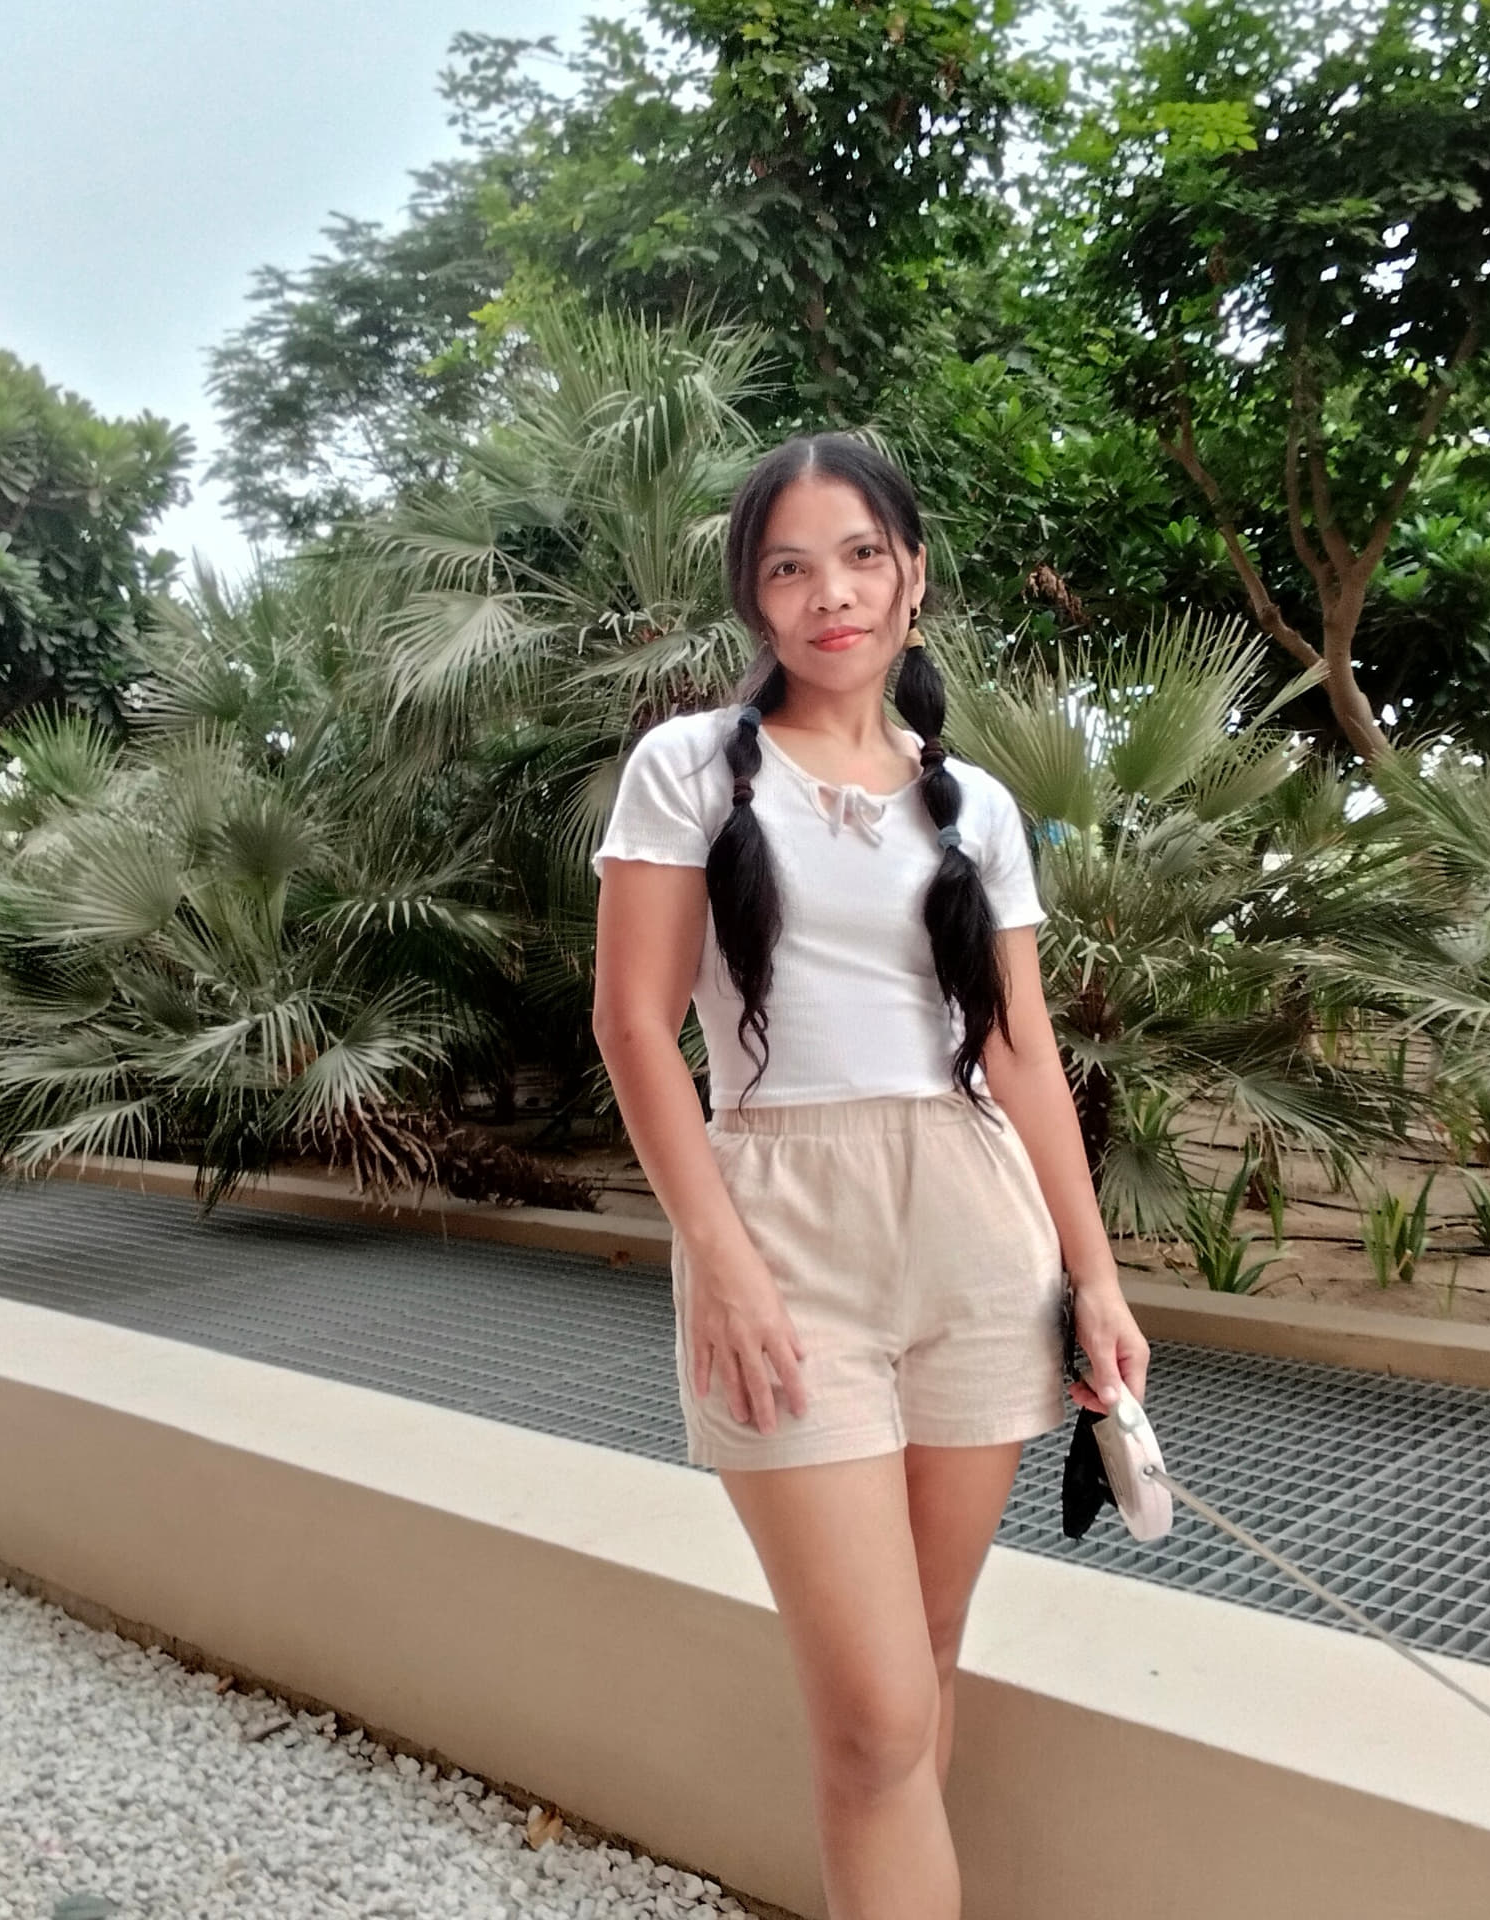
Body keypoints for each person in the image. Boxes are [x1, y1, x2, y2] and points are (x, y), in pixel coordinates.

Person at [589, 432, 1149, 1920]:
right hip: (784, 1229)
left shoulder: (978, 809)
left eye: (858, 557)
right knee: (875, 1714)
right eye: (789, 567)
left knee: (931, 1658)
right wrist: (719, 1259)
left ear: (912, 577)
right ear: (754, 598)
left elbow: (1021, 1051)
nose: (828, 594)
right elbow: (635, 1026)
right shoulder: (689, 770)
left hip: (977, 1240)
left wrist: (1095, 1278)